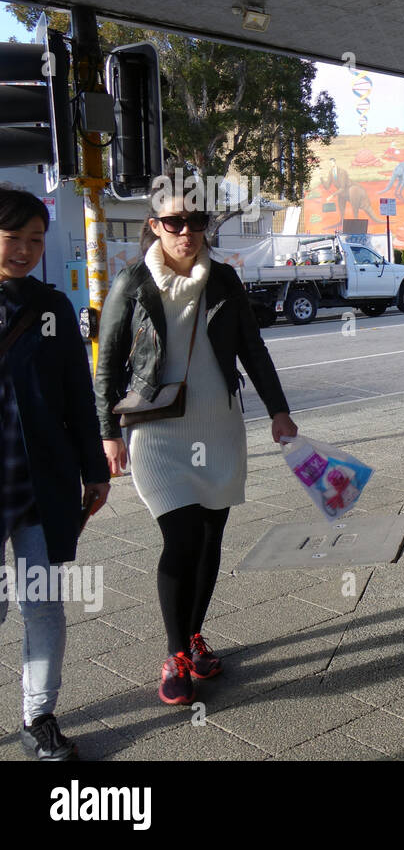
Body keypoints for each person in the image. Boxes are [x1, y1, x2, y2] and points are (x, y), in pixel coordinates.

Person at [96, 174, 298, 706]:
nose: (186, 232)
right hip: (157, 433)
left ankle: (194, 635)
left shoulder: (225, 281)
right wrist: (107, 434)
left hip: (220, 427)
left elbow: (254, 351)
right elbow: (107, 366)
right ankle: (174, 652)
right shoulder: (132, 283)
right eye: (174, 222)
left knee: (211, 540)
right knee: (180, 539)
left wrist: (279, 411)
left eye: (197, 221)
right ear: (155, 225)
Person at [0, 186, 111, 760]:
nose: (24, 249)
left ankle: (38, 717)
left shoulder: (52, 308)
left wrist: (95, 471)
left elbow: (76, 392)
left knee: (42, 605)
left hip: (40, 489)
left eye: (35, 239)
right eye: (13, 237)